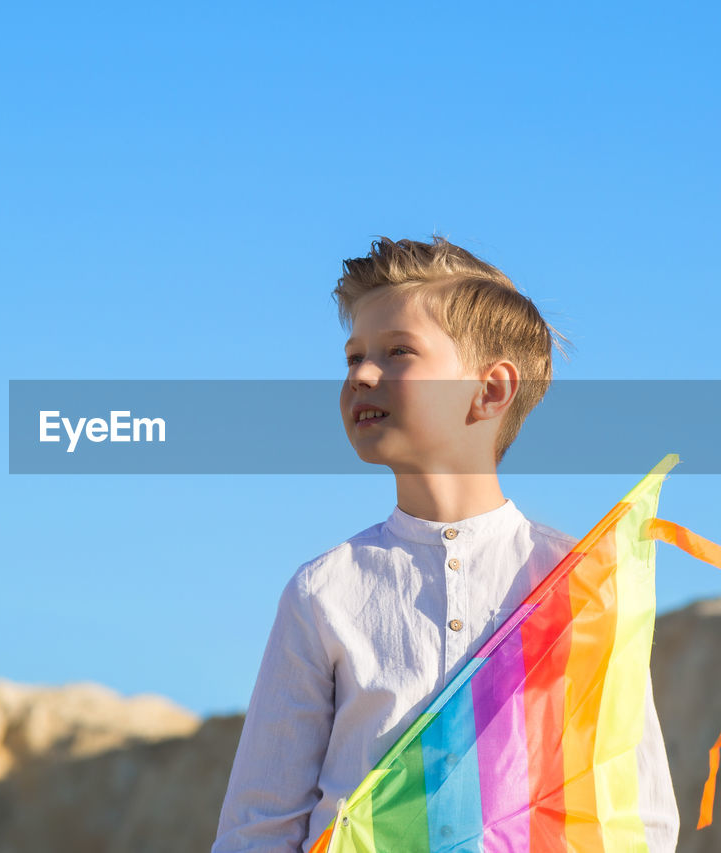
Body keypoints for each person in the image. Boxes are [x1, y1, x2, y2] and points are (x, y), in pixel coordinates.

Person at [211, 236, 680, 852]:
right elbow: (259, 823)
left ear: (490, 391)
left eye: (397, 351)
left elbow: (637, 811)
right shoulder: (324, 590)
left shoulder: (580, 585)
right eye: (353, 357)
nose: (361, 375)